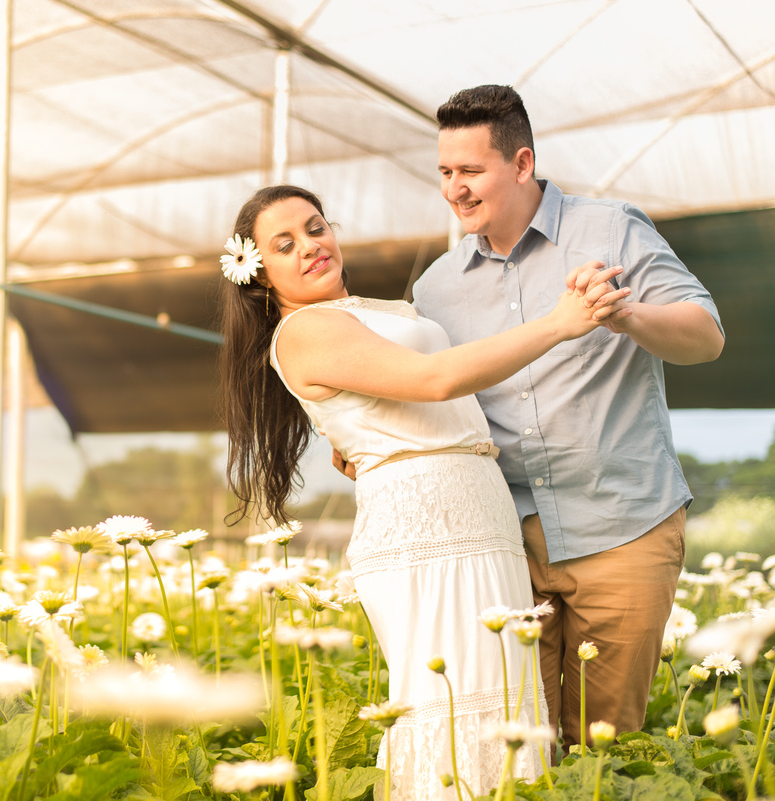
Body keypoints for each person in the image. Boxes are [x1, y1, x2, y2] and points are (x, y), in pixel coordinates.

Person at [219, 184, 627, 799]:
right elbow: (434, 379)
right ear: (259, 275)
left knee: (507, 699)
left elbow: (407, 403)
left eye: (316, 227)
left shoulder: (368, 309)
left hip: (477, 507)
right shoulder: (304, 331)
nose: (310, 246)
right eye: (285, 244)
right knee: (453, 701)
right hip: (422, 527)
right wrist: (559, 325)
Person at [395, 84, 724, 752]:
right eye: (445, 173)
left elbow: (705, 335)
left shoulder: (610, 230)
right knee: (524, 745)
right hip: (505, 545)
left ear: (521, 164)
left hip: (624, 528)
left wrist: (625, 315)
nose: (454, 189)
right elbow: (436, 396)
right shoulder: (435, 286)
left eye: (470, 171)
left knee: (603, 745)